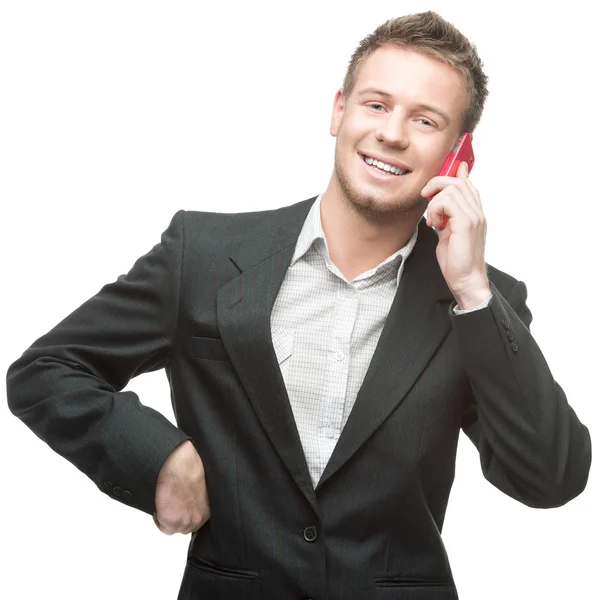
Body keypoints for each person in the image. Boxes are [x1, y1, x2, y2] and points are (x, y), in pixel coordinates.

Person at [6, 10, 591, 600]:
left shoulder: (481, 301)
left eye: (426, 119)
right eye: (376, 104)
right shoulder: (203, 255)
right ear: (339, 111)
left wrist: (471, 288)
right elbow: (47, 371)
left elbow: (549, 478)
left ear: (458, 155)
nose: (392, 132)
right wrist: (159, 458)